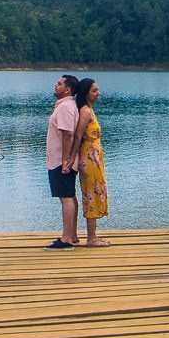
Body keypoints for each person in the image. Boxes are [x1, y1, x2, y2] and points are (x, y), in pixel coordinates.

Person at [44, 74, 82, 248]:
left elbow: (68, 134)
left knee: (66, 197)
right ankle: (72, 235)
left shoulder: (66, 107)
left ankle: (66, 238)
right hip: (60, 160)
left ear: (67, 89)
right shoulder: (65, 105)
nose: (55, 85)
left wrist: (66, 159)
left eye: (59, 84)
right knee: (69, 195)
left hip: (62, 162)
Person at [73, 77, 108, 246]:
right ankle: (91, 238)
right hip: (88, 158)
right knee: (91, 194)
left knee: (96, 191)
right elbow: (78, 136)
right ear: (86, 93)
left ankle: (93, 235)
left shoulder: (90, 110)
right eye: (94, 91)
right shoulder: (85, 112)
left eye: (97, 90)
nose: (98, 93)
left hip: (94, 157)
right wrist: (72, 156)